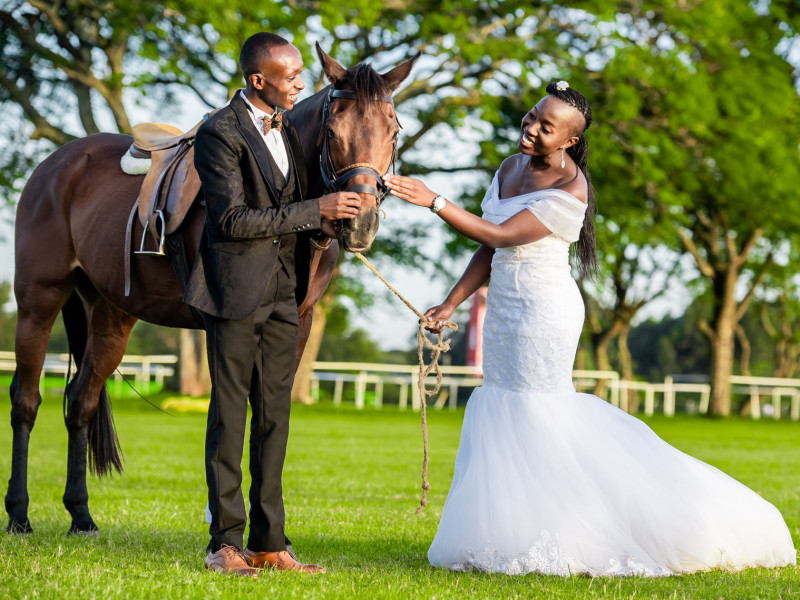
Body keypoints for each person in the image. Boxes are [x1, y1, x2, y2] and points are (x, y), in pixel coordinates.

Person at [384, 81, 796, 576]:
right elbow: (490, 250)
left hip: (544, 312)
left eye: (546, 127)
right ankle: (507, 536)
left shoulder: (569, 189)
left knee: (539, 409)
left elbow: (498, 232)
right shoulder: (509, 168)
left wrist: (435, 201)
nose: (531, 128)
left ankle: (576, 532)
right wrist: (451, 302)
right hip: (506, 311)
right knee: (501, 403)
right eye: (532, 117)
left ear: (569, 141)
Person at [184, 32, 361, 577]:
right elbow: (232, 221)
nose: (302, 83)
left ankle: (270, 542)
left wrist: (330, 220)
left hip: (286, 293)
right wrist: (315, 209)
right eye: (290, 77)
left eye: (301, 72)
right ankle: (225, 544)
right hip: (234, 291)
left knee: (276, 419)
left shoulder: (286, 127)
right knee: (231, 417)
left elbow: (295, 208)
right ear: (258, 81)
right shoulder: (219, 132)